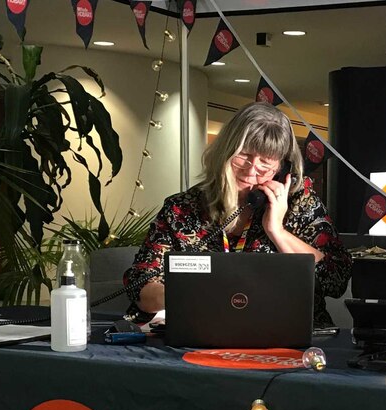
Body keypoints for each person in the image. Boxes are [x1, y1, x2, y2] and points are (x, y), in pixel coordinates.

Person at [124, 101, 352, 327]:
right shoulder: (182, 208)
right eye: (244, 155)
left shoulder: (300, 204)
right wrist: (187, 297)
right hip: (204, 332)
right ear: (225, 151)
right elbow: (140, 281)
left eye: (265, 161)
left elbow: (336, 279)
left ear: (282, 168)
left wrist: (278, 232)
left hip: (289, 336)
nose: (252, 169)